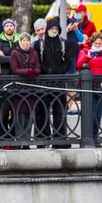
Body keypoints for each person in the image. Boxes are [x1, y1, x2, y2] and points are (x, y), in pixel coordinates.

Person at [34, 17, 76, 146]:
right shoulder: (39, 44)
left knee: (59, 111)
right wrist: (48, 70)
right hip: (44, 82)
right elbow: (37, 61)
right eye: (52, 28)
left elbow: (68, 61)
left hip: (59, 82)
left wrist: (59, 71)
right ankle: (42, 139)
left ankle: (60, 139)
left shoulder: (64, 43)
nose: (54, 30)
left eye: (56, 28)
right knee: (42, 111)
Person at [76, 31, 102, 145]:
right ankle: (87, 138)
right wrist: (87, 56)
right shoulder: (84, 51)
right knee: (89, 113)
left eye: (100, 44)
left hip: (100, 86)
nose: (98, 45)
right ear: (92, 43)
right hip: (87, 86)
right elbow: (78, 64)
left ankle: (95, 137)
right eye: (96, 43)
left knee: (98, 113)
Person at [9, 33, 41, 143]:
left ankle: (27, 141)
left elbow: (38, 69)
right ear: (20, 42)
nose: (26, 43)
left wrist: (33, 71)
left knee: (29, 115)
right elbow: (14, 69)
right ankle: (19, 140)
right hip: (18, 89)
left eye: (28, 40)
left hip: (31, 89)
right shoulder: (14, 53)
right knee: (20, 114)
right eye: (23, 40)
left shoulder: (34, 53)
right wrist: (27, 71)